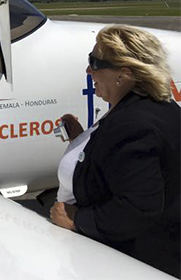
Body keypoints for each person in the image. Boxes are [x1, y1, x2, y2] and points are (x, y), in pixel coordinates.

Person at [50, 25, 180, 277]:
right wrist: (82, 140)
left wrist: (76, 219)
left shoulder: (134, 125)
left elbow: (138, 208)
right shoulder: (156, 108)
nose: (89, 70)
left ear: (124, 74)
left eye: (95, 62)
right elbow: (125, 164)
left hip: (135, 262)